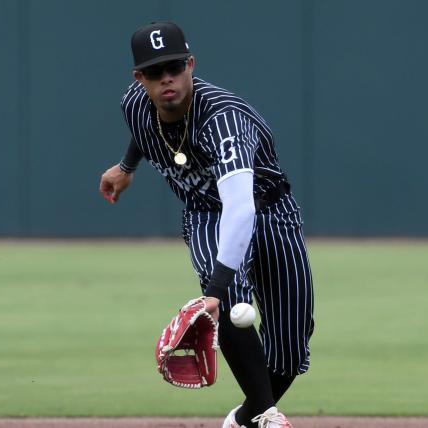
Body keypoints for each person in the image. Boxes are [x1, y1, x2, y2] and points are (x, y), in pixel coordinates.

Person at [99, 22, 314, 428]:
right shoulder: (134, 103)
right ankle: (268, 415)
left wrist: (212, 292)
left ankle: (245, 418)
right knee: (229, 298)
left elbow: (240, 207)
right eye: (155, 71)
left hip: (269, 210)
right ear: (139, 78)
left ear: (191, 65)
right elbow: (145, 129)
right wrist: (126, 167)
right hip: (204, 213)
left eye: (175, 67)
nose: (167, 78)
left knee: (290, 347)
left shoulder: (223, 120)